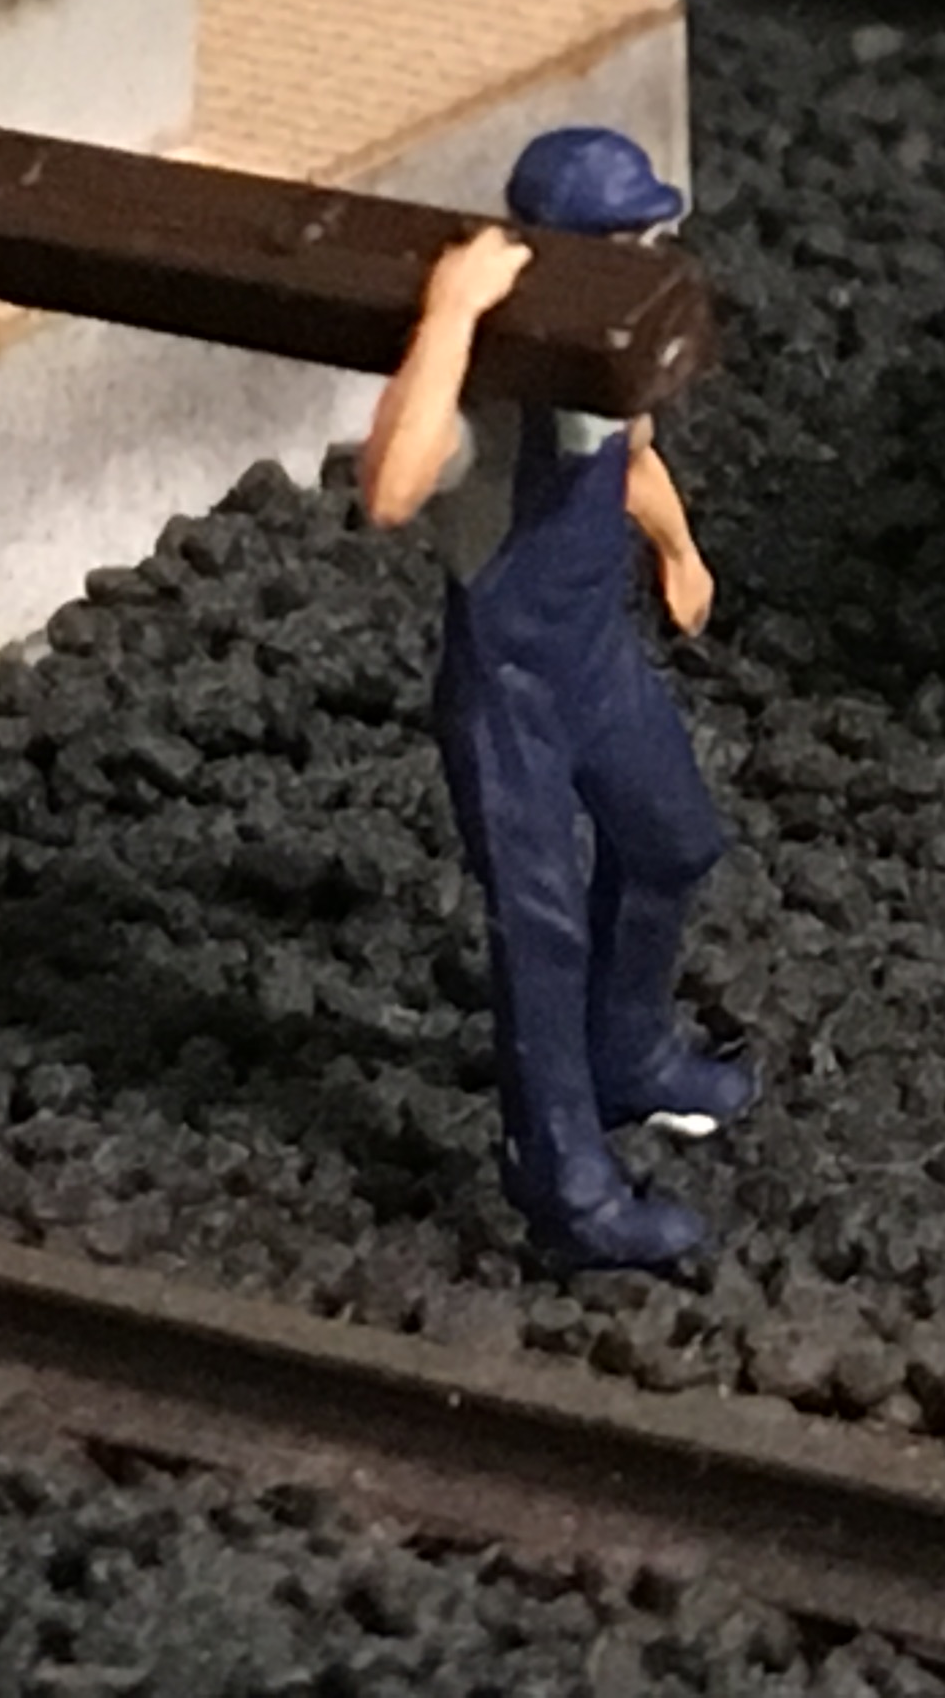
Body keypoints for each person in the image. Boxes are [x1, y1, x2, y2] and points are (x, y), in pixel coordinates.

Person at [357, 128, 752, 1271]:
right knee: (540, 933)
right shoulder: (488, 394)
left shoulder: (606, 359)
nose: (650, 261)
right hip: (509, 692)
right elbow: (389, 488)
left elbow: (631, 462)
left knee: (672, 843)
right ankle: (567, 1189)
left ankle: (629, 1055)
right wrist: (450, 314)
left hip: (596, 659)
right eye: (629, 242)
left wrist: (678, 552)